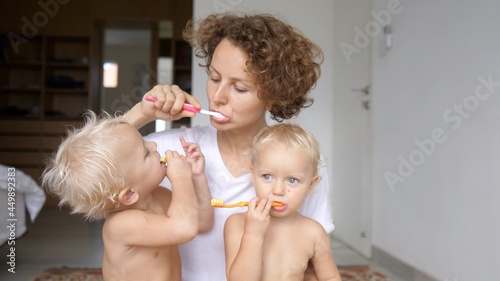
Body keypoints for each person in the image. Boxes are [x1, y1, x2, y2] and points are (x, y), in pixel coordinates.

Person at [124, 12, 334, 280]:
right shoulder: (168, 148)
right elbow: (78, 166)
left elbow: (313, 264)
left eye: (239, 88)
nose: (217, 97)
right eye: (214, 78)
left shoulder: (301, 162)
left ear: (273, 97)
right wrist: (140, 114)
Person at [41, 110, 213, 281]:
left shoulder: (160, 196)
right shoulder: (121, 225)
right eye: (145, 153)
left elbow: (202, 222)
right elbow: (184, 229)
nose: (154, 145)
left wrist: (197, 176)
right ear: (129, 194)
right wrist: (181, 178)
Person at [224, 123, 341, 281]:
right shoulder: (237, 224)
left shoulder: (314, 232)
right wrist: (253, 235)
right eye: (267, 176)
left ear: (311, 185)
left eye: (292, 180)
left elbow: (330, 277)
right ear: (253, 175)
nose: (278, 190)